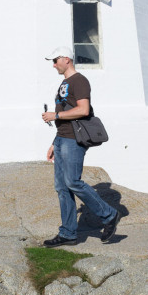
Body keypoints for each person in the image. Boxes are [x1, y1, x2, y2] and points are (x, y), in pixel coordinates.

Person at [41, 46, 119, 246]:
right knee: (62, 187)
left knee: (73, 182)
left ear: (66, 59)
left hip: (73, 141)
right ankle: (68, 233)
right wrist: (54, 142)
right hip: (62, 139)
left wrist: (55, 115)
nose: (53, 64)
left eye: (55, 60)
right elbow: (67, 115)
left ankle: (109, 215)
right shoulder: (65, 82)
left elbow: (83, 110)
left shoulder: (80, 81)